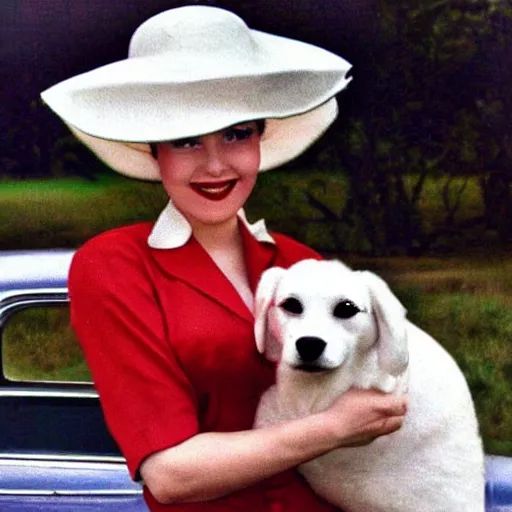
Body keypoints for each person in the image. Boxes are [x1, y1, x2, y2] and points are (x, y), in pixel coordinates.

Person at [41, 6, 407, 511]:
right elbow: (170, 474)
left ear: (261, 136)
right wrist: (331, 429)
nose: (215, 165)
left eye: (237, 133)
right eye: (186, 140)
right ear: (154, 152)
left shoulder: (299, 261)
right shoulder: (114, 265)